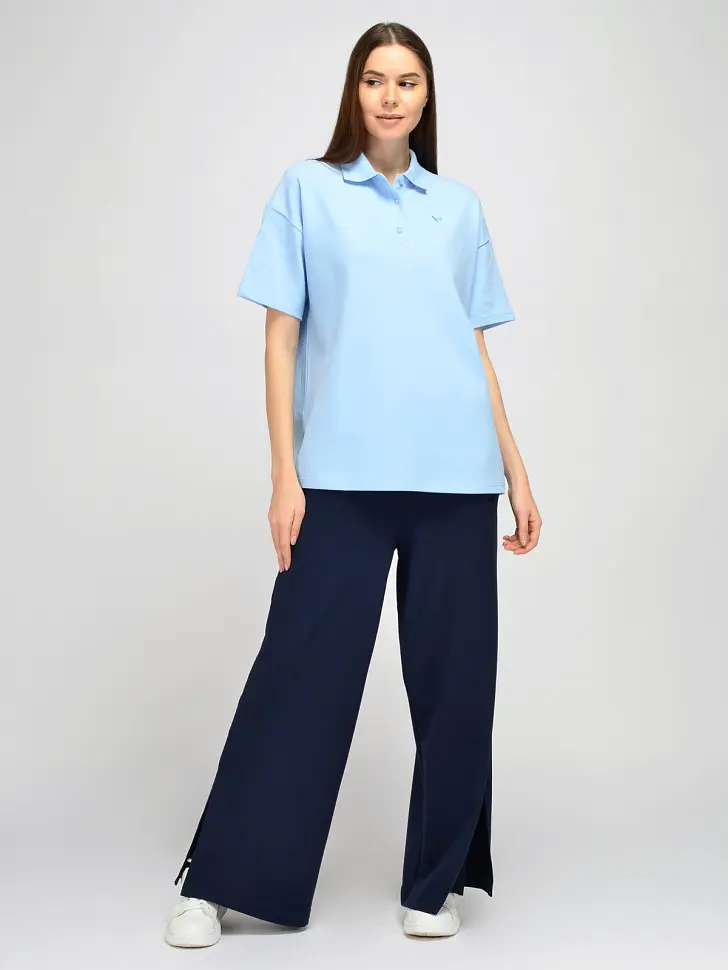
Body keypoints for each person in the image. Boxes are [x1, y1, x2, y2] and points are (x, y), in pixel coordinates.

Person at [164, 21, 542, 948]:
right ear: (354, 90)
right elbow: (280, 336)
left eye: (407, 81)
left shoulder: (459, 208)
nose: (390, 96)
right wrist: (283, 473)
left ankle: (435, 884)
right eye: (375, 79)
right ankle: (219, 882)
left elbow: (473, 347)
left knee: (458, 687)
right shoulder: (307, 190)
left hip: (455, 478)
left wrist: (515, 467)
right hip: (339, 478)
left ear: (426, 95)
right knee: (298, 677)